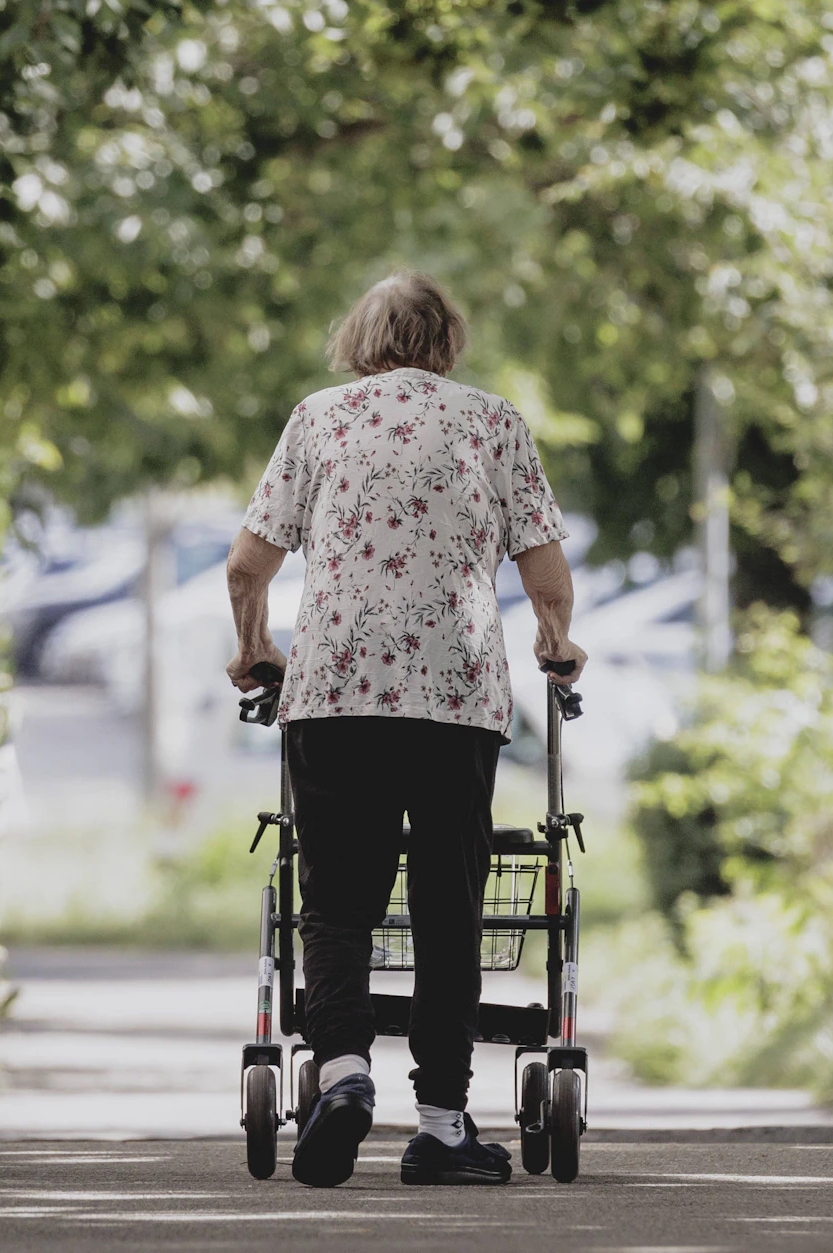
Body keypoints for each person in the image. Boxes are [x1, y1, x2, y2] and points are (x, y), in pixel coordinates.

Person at [224, 271, 586, 1187]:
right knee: (446, 906)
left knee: (337, 903)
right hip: (453, 698)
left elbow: (244, 564)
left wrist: (253, 647)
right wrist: (557, 641)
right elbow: (544, 567)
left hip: (335, 691)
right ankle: (441, 1124)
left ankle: (343, 1072)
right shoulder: (492, 420)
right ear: (448, 341)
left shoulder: (320, 418)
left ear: (360, 337)